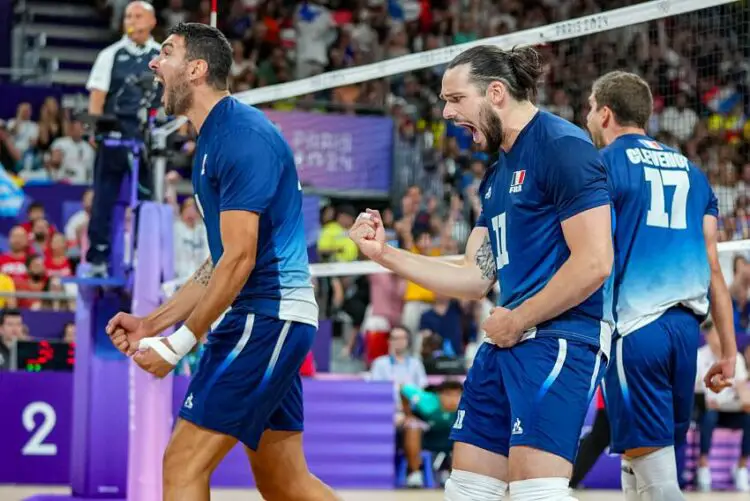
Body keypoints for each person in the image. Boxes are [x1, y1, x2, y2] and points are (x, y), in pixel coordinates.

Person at [350, 44, 614, 501]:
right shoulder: (495, 175)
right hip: (504, 341)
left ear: (495, 92)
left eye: (455, 99)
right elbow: (475, 276)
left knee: (538, 493)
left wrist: (517, 318)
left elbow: (595, 262)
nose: (447, 112)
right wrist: (385, 254)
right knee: (467, 490)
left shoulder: (562, 147)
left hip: (559, 340)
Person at [106, 23, 338, 501]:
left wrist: (178, 345)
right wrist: (153, 323)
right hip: (268, 319)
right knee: (283, 482)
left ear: (196, 69)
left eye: (165, 52)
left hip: (266, 318)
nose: (153, 61)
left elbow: (240, 260)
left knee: (182, 465)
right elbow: (219, 262)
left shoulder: (240, 137)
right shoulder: (214, 139)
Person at [585, 70, 737, 501]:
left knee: (657, 477)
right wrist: (728, 352)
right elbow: (713, 265)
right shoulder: (694, 173)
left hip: (636, 330)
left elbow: (588, 254)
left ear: (606, 113)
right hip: (684, 334)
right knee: (643, 458)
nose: (587, 118)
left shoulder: (601, 165)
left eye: (590, 109)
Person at [85, 0, 161, 277]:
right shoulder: (110, 54)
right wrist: (95, 130)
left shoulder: (162, 54)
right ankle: (98, 259)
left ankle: (145, 256)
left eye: (138, 15)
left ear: (152, 21)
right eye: (128, 15)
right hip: (114, 135)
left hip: (148, 137)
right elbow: (97, 95)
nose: (132, 20)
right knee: (104, 197)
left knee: (147, 198)